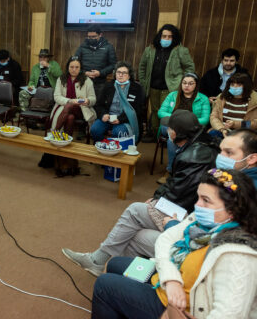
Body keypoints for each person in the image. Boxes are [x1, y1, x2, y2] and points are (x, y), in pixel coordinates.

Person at [63, 110, 219, 275]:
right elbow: (176, 182)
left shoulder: (194, 156)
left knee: (134, 211)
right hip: (186, 213)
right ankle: (117, 275)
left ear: (176, 133)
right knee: (135, 232)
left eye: (169, 128)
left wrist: (157, 202)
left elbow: (180, 193)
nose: (167, 130)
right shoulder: (195, 147)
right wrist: (158, 196)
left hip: (184, 216)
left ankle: (99, 263)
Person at [91, 169, 257, 319]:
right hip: (172, 280)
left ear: (233, 210)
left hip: (180, 307)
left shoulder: (238, 256)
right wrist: (171, 280)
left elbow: (228, 314)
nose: (197, 205)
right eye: (198, 197)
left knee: (104, 285)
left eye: (206, 200)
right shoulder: (208, 220)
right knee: (114, 264)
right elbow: (166, 239)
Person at [139, 24, 195, 141]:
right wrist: (144, 83)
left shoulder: (181, 50)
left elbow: (190, 67)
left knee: (165, 112)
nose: (166, 39)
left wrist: (182, 82)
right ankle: (154, 134)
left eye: (169, 37)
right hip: (153, 86)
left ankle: (164, 136)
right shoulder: (150, 49)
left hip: (170, 87)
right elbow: (142, 67)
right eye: (164, 36)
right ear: (159, 36)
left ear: (174, 38)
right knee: (154, 111)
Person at [47, 56, 96, 176]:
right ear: (67, 67)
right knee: (70, 118)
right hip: (65, 109)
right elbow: (57, 97)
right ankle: (65, 150)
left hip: (81, 109)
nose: (74, 69)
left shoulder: (87, 80)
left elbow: (93, 99)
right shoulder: (61, 79)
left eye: (77, 67)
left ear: (80, 68)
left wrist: (87, 100)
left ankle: (54, 132)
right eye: (71, 67)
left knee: (69, 107)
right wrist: (70, 101)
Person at [156, 73, 211, 183]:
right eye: (184, 83)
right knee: (173, 135)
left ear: (196, 85)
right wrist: (177, 121)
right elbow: (161, 113)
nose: (187, 86)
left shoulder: (203, 98)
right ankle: (172, 171)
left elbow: (205, 119)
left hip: (192, 130)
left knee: (175, 138)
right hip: (169, 126)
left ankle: (176, 170)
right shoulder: (172, 95)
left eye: (191, 83)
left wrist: (186, 123)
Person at [90, 61, 144, 144]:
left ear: (129, 76)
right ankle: (103, 147)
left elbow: (137, 110)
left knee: (118, 132)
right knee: (94, 130)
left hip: (125, 120)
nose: (120, 75)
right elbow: (99, 105)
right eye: (118, 72)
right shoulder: (108, 86)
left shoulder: (136, 88)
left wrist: (120, 119)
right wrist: (103, 114)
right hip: (108, 117)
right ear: (115, 74)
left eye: (124, 73)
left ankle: (116, 152)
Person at [209, 72, 257, 141]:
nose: (235, 87)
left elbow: (255, 123)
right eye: (232, 84)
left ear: (246, 86)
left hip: (244, 135)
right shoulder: (222, 97)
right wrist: (222, 129)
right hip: (222, 131)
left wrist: (236, 124)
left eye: (239, 84)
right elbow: (214, 117)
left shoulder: (254, 101)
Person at [74, 25, 117, 98]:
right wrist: (85, 73)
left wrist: (100, 73)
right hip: (83, 81)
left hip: (100, 83)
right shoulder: (82, 47)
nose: (91, 39)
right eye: (89, 37)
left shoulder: (108, 47)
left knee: (97, 105)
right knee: (82, 104)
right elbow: (74, 63)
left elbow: (113, 65)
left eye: (94, 37)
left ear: (100, 35)